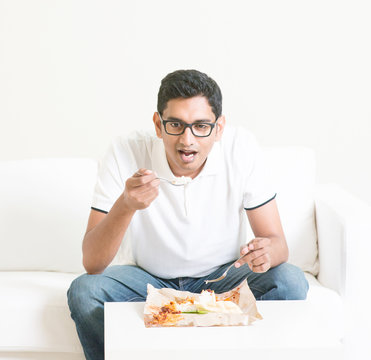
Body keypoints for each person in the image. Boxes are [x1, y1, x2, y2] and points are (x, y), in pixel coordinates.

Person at [67, 69, 308, 360]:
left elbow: (277, 243)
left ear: (219, 128)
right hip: (149, 279)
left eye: (201, 126)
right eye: (175, 125)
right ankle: (189, 322)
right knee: (84, 291)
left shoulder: (240, 148)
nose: (187, 140)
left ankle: (212, 335)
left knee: (290, 281)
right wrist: (125, 205)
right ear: (158, 124)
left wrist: (266, 253)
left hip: (223, 277)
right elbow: (92, 264)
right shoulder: (125, 151)